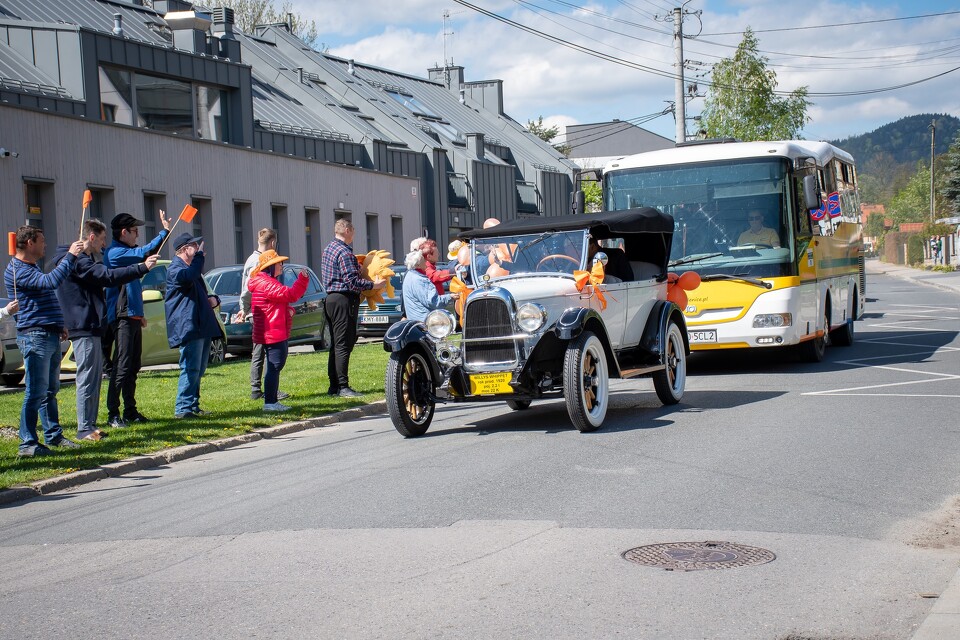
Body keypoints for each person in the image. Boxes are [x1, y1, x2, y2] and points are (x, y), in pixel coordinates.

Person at [54, 219, 158, 442]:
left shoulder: (84, 259)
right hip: (83, 325)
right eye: (101, 240)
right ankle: (84, 427)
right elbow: (108, 276)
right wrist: (142, 267)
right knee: (87, 378)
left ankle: (89, 425)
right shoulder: (78, 261)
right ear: (91, 237)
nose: (104, 245)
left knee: (94, 378)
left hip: (92, 325)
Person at [4, 226, 85, 456]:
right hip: (34, 335)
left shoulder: (30, 266)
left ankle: (53, 435)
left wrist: (58, 324)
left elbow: (43, 297)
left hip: (46, 333)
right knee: (35, 391)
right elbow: (50, 283)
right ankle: (27, 443)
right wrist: (70, 256)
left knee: (49, 390)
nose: (45, 245)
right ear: (30, 243)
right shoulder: (19, 270)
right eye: (42, 240)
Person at [103, 210, 171, 428]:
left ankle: (130, 411)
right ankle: (113, 413)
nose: (137, 235)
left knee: (133, 365)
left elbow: (143, 259)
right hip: (121, 315)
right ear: (124, 232)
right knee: (121, 365)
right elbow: (145, 251)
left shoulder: (126, 251)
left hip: (132, 315)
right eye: (134, 231)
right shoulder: (115, 253)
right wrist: (164, 232)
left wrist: (139, 314)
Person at [320, 218, 385, 398]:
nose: (354, 233)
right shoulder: (345, 252)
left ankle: (334, 386)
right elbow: (352, 281)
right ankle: (343, 386)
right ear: (347, 230)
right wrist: (375, 285)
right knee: (344, 344)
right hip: (344, 299)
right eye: (353, 229)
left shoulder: (329, 249)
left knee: (335, 344)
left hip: (331, 299)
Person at [164, 233, 223, 419]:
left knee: (200, 368)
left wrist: (213, 300)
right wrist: (199, 258)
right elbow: (188, 277)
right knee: (190, 367)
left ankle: (193, 405)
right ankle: (182, 408)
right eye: (194, 246)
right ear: (183, 249)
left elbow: (200, 294)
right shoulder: (176, 269)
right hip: (188, 326)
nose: (198, 249)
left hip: (200, 325)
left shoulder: (191, 270)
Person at [247, 250, 309, 412]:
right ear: (270, 266)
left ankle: (272, 400)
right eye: (279, 263)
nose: (281, 265)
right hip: (273, 331)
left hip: (270, 330)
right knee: (275, 366)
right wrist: (302, 280)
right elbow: (291, 294)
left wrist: (289, 311)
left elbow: (278, 302)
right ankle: (270, 402)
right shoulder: (268, 283)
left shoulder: (263, 281)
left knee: (274, 366)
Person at [236, 228, 288, 402]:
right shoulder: (258, 261)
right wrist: (244, 309)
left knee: (265, 352)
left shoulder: (252, 258)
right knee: (261, 352)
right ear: (272, 243)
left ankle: (267, 389)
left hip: (259, 309)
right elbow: (248, 288)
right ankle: (258, 389)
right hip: (260, 311)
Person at [401, 250, 455, 322]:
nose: (426, 263)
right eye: (423, 260)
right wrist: (450, 296)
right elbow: (433, 302)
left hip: (414, 320)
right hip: (425, 322)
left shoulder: (409, 275)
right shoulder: (420, 280)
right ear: (418, 265)